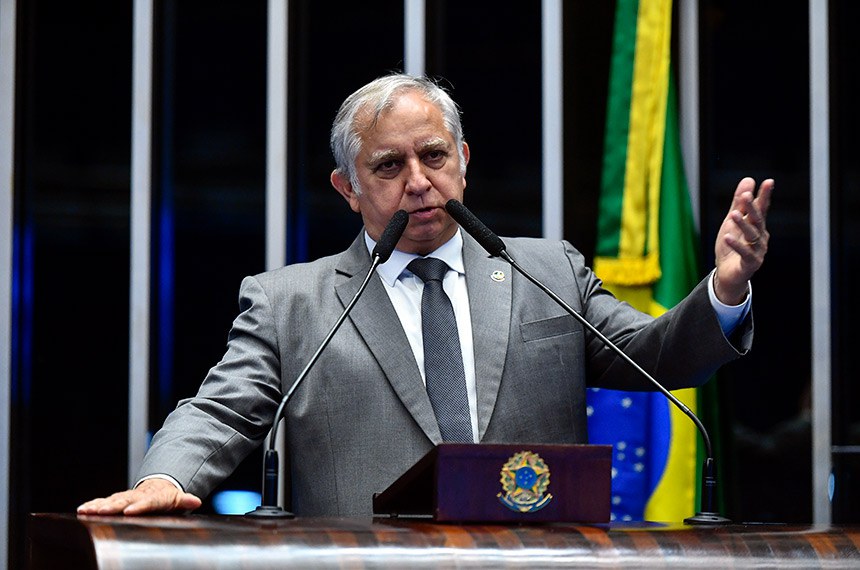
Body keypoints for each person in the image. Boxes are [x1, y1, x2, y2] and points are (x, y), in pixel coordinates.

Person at [78, 73, 772, 517]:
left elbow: (656, 355)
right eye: (388, 165)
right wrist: (162, 482)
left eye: (434, 155)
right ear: (347, 189)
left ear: (462, 161)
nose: (418, 181)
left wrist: (726, 287)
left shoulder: (545, 272)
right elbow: (221, 411)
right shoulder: (294, 302)